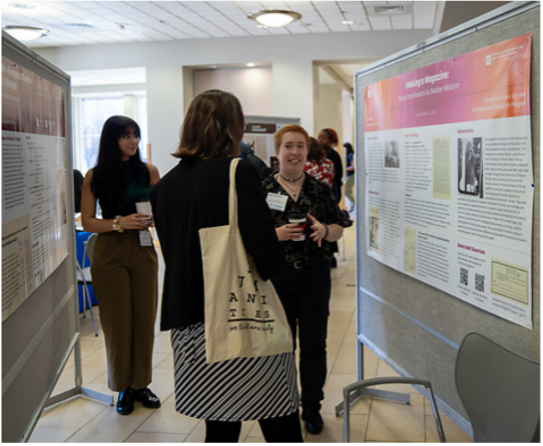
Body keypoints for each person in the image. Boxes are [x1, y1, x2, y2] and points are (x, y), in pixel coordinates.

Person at [150, 90, 303, 444]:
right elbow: (266, 257)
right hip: (241, 314)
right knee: (278, 416)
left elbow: (177, 254)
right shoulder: (237, 173)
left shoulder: (164, 187)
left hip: (191, 321)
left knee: (219, 423)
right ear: (234, 127)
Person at [262, 124, 344, 435]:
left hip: (314, 278)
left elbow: (339, 226)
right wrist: (276, 234)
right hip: (277, 279)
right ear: (278, 151)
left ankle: (311, 408)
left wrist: (325, 230)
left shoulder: (320, 190)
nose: (294, 152)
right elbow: (250, 236)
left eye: (299, 146)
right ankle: (283, 406)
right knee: (281, 346)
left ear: (306, 152)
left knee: (313, 346)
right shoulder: (263, 189)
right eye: (288, 146)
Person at [80, 115, 161, 416]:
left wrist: (153, 220)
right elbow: (88, 220)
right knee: (117, 323)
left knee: (143, 318)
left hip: (142, 247)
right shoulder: (95, 175)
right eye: (126, 135)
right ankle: (123, 386)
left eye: (136, 135)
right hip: (110, 250)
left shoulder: (149, 171)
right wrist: (119, 222)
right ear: (111, 139)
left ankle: (141, 383)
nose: (133, 141)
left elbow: (161, 209)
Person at [318, 128, 343, 204]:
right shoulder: (316, 154)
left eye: (324, 138)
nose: (320, 140)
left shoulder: (333, 155)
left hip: (332, 189)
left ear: (331, 141)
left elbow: (339, 173)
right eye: (319, 137)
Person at [344, 142, 355, 212]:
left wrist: (344, 168)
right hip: (349, 175)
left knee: (346, 192)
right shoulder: (349, 155)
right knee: (349, 192)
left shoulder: (350, 155)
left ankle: (355, 204)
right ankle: (351, 208)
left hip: (351, 175)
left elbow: (353, 166)